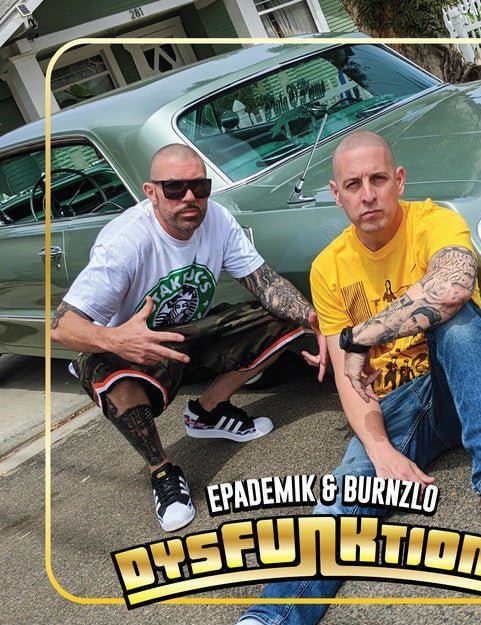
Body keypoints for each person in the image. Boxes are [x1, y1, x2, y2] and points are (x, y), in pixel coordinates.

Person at [196, 130, 481, 625]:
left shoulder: (434, 221)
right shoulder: (329, 268)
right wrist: (380, 450)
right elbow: (348, 382)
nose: (368, 194)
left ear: (399, 181)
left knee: (456, 324)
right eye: (353, 184)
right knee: (344, 491)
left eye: (378, 179)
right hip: (400, 406)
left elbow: (452, 286)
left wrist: (358, 337)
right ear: (337, 194)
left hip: (475, 379)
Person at [51, 143, 326, 533]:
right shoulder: (125, 242)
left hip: (191, 333)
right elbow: (62, 326)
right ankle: (162, 471)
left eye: (200, 186)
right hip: (139, 349)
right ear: (151, 192)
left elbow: (265, 283)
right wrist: (116, 340)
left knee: (284, 317)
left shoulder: (217, 220)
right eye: (175, 188)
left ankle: (208, 412)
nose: (190, 197)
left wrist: (316, 321)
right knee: (100, 368)